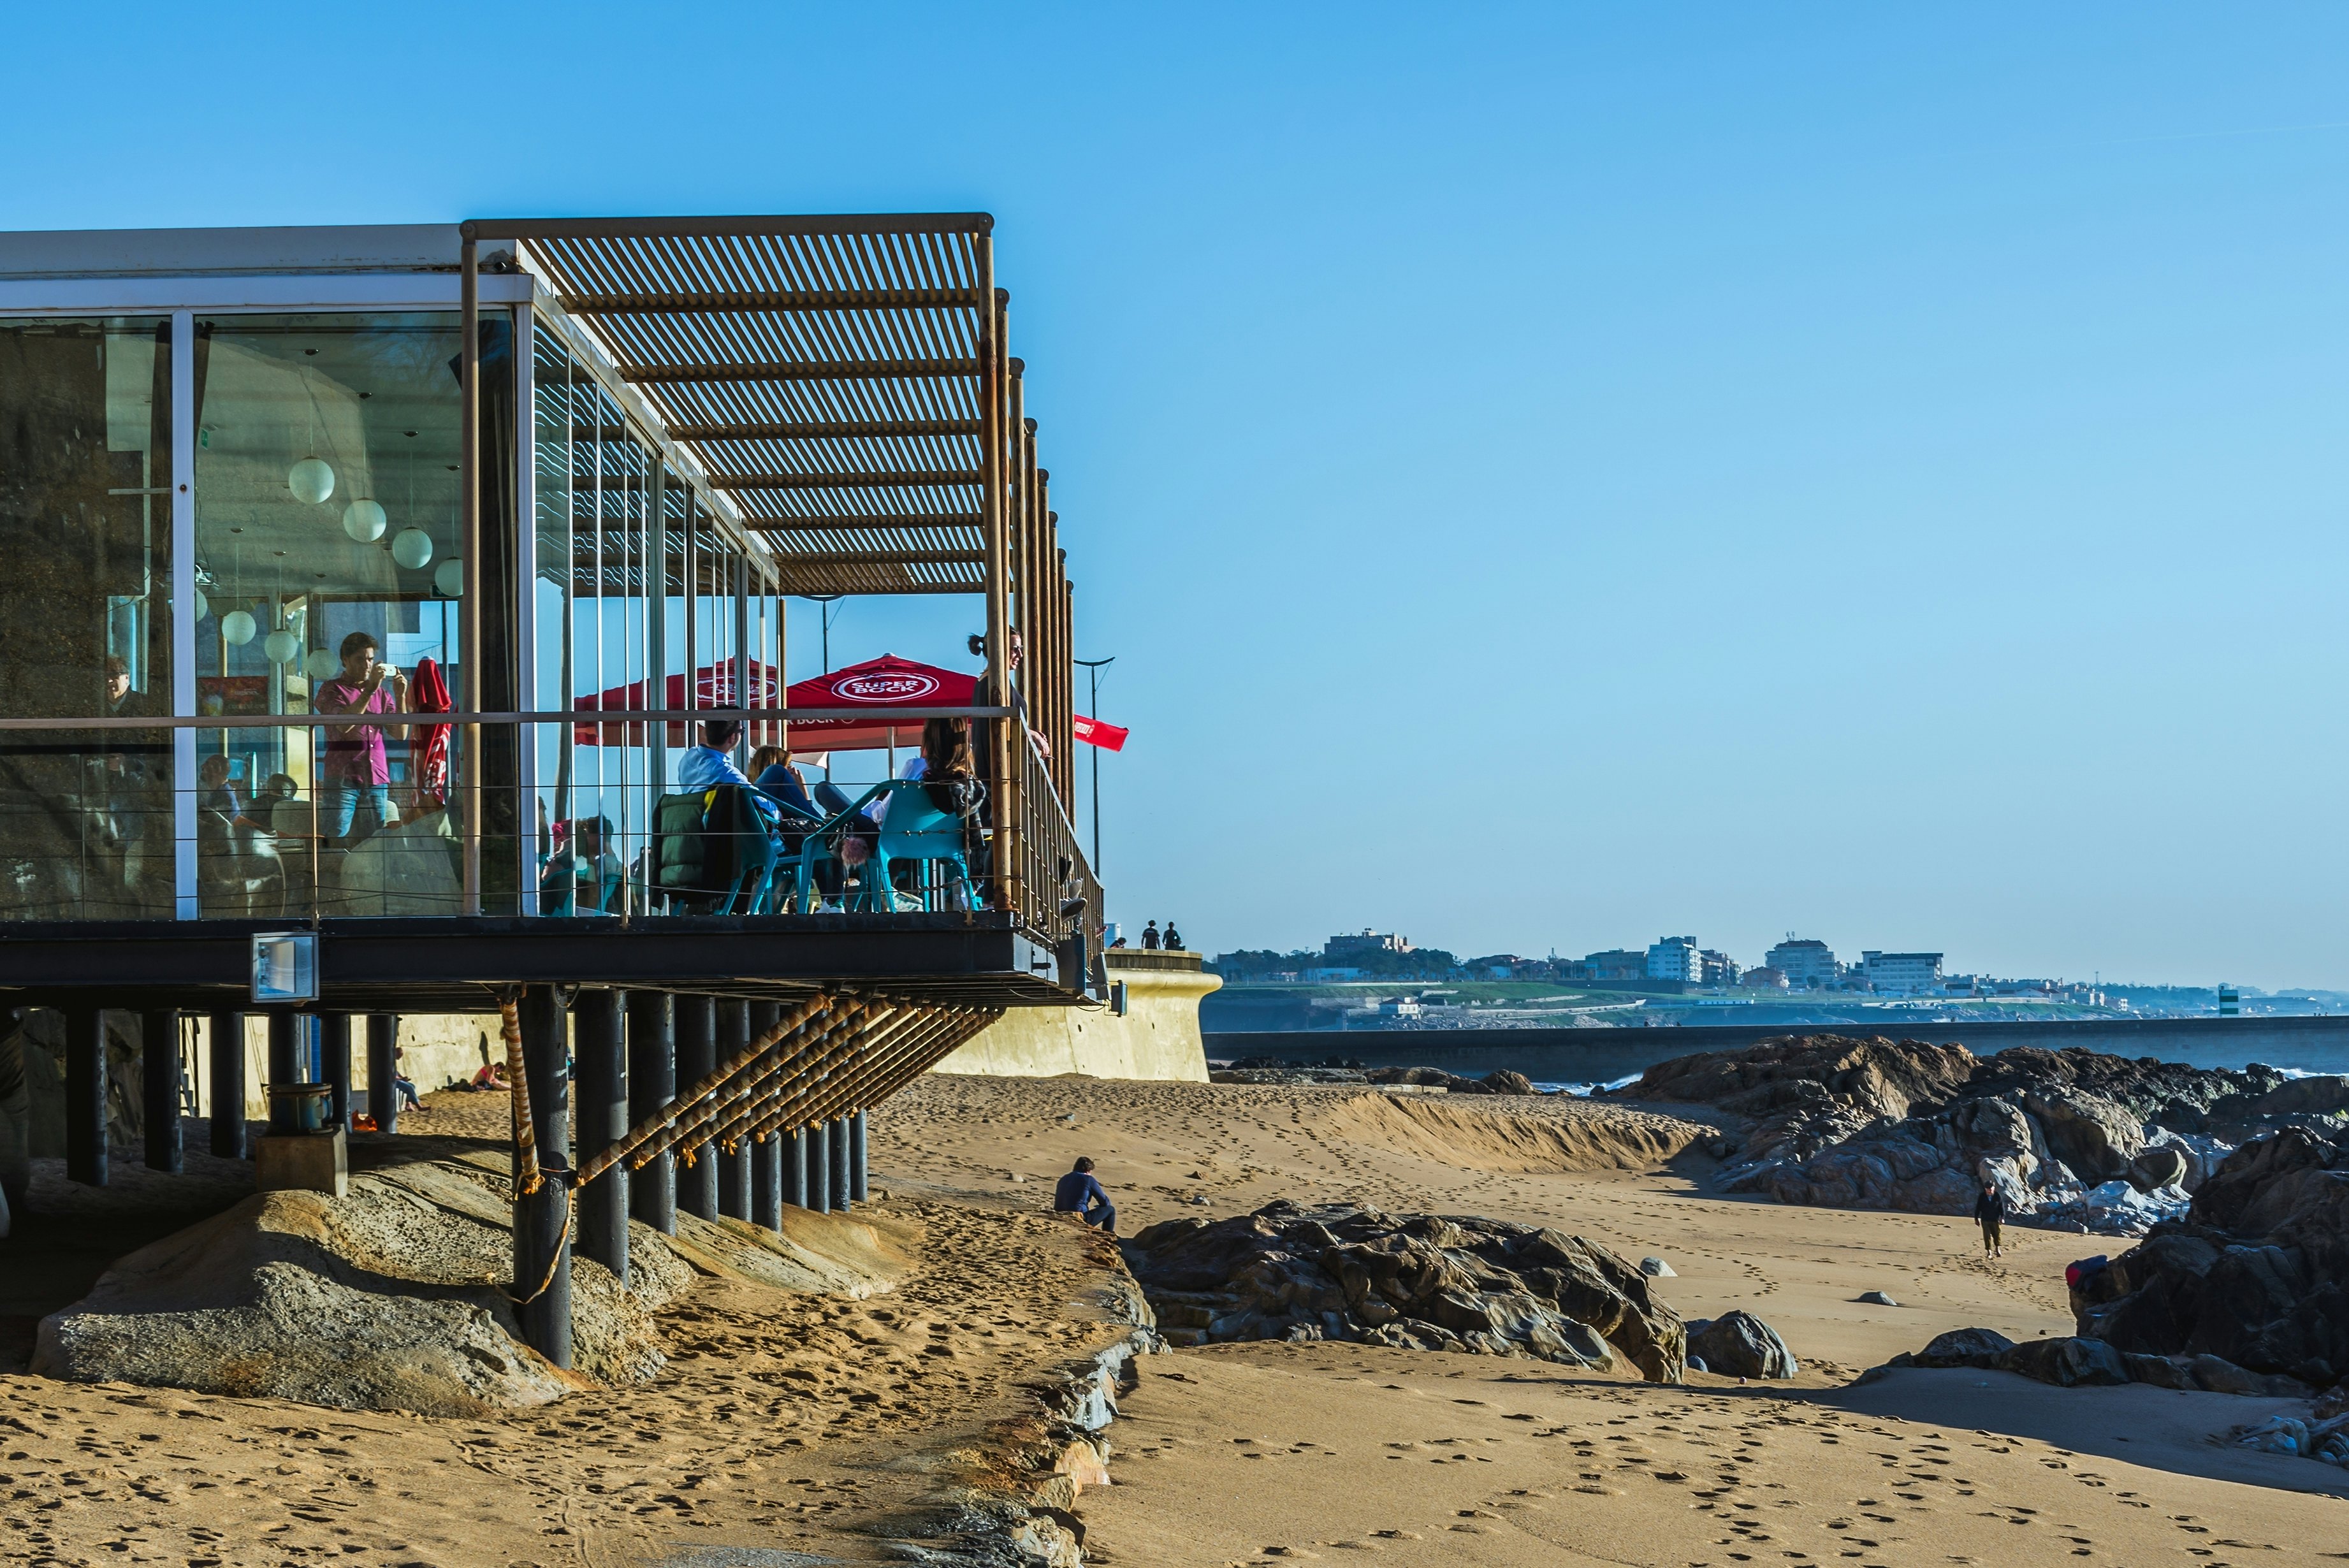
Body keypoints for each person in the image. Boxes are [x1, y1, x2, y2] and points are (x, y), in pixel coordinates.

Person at [312, 632, 408, 846]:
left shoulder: (382, 694)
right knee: (335, 837)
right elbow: (344, 724)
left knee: (373, 841)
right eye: (360, 659)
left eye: (370, 659)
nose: (367, 665)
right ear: (345, 660)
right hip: (343, 776)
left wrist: (401, 696)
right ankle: (331, 877)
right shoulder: (331, 689)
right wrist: (369, 691)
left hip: (376, 778)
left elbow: (400, 733)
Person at [541, 815, 623, 915]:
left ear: (599, 836)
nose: (585, 839)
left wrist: (561, 853)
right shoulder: (615, 866)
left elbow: (546, 879)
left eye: (587, 835)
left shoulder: (597, 865)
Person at [1053, 1156, 1116, 1235]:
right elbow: (1105, 1202)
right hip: (1077, 1217)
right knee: (1110, 1210)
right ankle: (1108, 1235)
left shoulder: (1064, 1178)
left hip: (1059, 1215)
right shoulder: (1088, 1179)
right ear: (1088, 1170)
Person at [1975, 1177, 2007, 1259]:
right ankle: (1989, 1252)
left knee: (1997, 1235)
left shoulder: (1997, 1196)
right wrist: (1976, 1218)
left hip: (1995, 1219)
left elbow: (2001, 1208)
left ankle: (1997, 1249)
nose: (1989, 1191)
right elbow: (1978, 1208)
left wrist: (2002, 1217)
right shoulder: (1982, 1196)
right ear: (1985, 1189)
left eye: (1991, 1189)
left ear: (1994, 1188)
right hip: (1985, 1219)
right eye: (1987, 1189)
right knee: (1987, 1235)